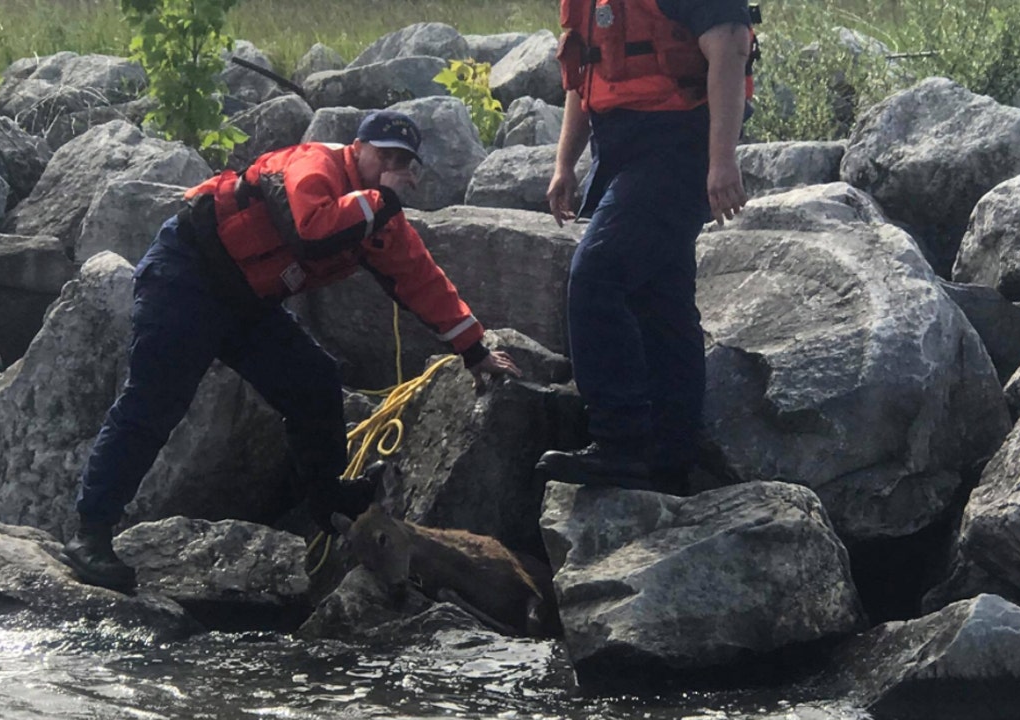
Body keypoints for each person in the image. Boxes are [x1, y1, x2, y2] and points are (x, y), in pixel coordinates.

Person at [62, 109, 521, 592]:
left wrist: (474, 351)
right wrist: (379, 199)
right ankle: (91, 532)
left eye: (403, 161)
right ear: (357, 148)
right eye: (384, 154)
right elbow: (312, 229)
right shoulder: (313, 165)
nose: (391, 167)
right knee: (153, 404)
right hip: (187, 275)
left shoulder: (374, 212)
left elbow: (421, 279)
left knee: (315, 382)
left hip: (247, 302)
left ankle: (329, 502)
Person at [535, 0, 755, 493]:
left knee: (595, 277)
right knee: (659, 299)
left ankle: (620, 444)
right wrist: (564, 164)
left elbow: (730, 48)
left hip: (678, 144)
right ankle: (670, 456)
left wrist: (721, 160)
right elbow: (584, 75)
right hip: (619, 146)